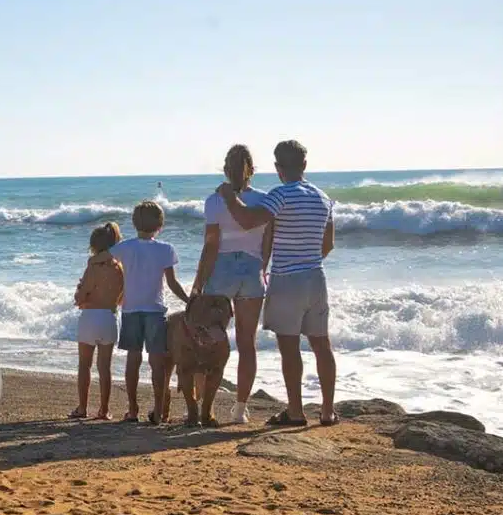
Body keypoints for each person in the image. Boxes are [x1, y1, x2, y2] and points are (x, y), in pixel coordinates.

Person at [216, 139, 338, 426]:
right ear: (304, 165)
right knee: (322, 345)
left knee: (289, 347)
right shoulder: (323, 198)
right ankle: (328, 411)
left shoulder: (280, 195)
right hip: (316, 277)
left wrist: (229, 197)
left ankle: (295, 411)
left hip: (287, 278)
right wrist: (307, 257)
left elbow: (248, 220)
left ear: (277, 167)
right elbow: (328, 244)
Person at [193, 145, 274, 424]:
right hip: (252, 271)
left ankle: (204, 405)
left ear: (225, 169)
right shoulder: (266, 200)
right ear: (252, 169)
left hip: (222, 270)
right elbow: (267, 246)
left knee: (207, 340)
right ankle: (240, 409)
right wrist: (260, 270)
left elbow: (211, 244)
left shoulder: (214, 201)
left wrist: (198, 283)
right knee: (246, 343)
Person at [109, 202, 190, 424]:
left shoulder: (124, 248)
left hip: (131, 308)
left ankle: (133, 409)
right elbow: (172, 283)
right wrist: (189, 300)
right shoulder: (165, 249)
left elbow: (107, 263)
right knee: (157, 362)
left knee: (133, 358)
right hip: (155, 310)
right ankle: (158, 409)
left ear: (134, 223)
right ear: (160, 225)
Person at [71, 222, 125, 420]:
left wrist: (80, 294)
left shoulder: (93, 264)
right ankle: (104, 409)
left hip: (90, 316)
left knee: (84, 365)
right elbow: (122, 298)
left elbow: (81, 295)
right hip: (109, 318)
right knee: (105, 367)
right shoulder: (120, 266)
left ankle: (82, 408)